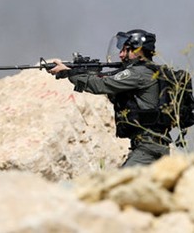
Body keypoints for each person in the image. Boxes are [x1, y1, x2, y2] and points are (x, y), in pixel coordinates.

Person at [48, 29, 170, 167]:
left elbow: (102, 84)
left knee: (122, 185)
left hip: (148, 149)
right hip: (148, 146)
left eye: (125, 50)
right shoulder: (146, 71)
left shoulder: (138, 73)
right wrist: (75, 71)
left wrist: (69, 72)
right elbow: (109, 82)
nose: (121, 54)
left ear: (138, 51)